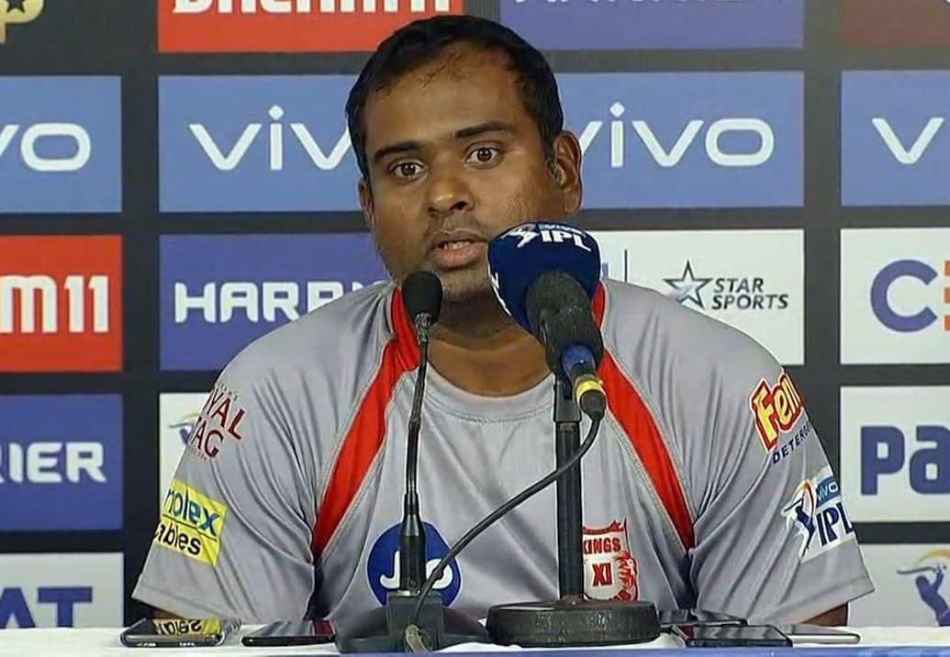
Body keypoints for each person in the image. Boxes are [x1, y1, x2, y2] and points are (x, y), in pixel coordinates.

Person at [133, 15, 873, 627]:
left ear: (563, 171)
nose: (444, 194)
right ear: (369, 208)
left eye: (484, 153)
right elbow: (206, 645)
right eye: (405, 169)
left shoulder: (720, 384)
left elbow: (795, 642)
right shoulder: (277, 395)